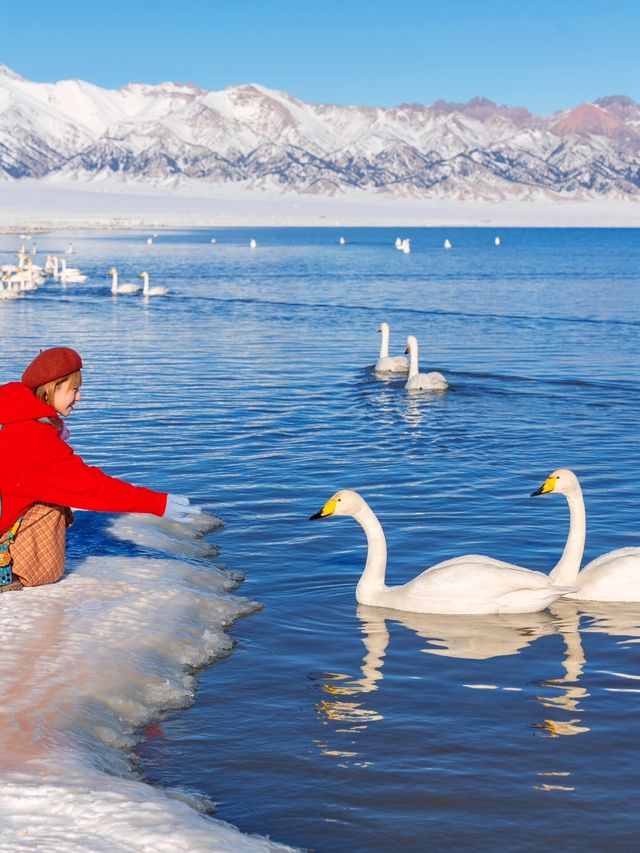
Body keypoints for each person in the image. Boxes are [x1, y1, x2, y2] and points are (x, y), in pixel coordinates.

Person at [0, 347, 199, 591]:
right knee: (51, 505)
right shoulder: (33, 438)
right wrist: (157, 503)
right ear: (54, 387)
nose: (79, 397)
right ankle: (11, 572)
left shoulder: (9, 410)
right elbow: (91, 487)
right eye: (74, 389)